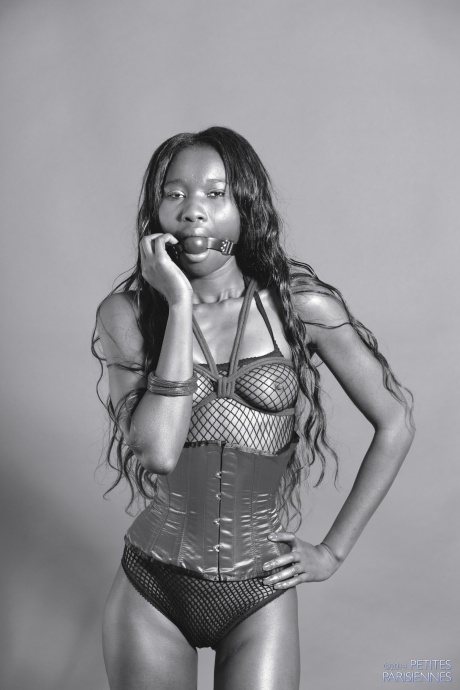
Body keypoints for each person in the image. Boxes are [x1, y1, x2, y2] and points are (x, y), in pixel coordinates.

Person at [92, 126, 415, 690]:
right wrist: (178, 303)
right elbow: (159, 453)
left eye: (215, 194)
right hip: (153, 586)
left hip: (260, 592)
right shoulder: (127, 316)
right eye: (174, 194)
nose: (193, 210)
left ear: (246, 206)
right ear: (156, 211)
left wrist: (333, 552)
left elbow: (395, 423)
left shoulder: (300, 308)